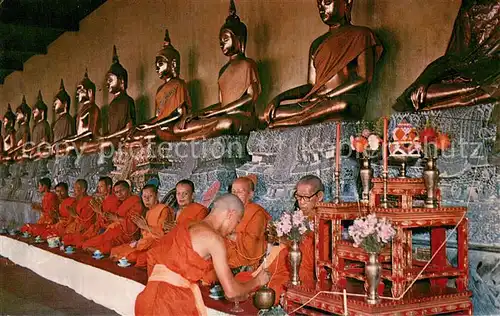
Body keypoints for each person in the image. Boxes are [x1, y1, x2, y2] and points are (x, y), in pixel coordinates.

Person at [135, 194, 270, 315]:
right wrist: (257, 281)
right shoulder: (213, 239)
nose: (234, 228)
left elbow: (154, 256)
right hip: (170, 304)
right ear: (231, 214)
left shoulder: (187, 225)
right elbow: (231, 292)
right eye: (237, 222)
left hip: (148, 297)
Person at [260, 0, 383, 128]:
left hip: (343, 101)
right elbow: (311, 86)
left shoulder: (362, 35)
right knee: (271, 114)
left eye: (327, 1)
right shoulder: (317, 44)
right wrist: (279, 98)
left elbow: (363, 78)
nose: (321, 7)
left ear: (347, 2)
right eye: (319, 3)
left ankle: (290, 122)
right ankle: (292, 120)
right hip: (315, 102)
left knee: (342, 104)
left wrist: (327, 96)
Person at [172, 0, 261, 141]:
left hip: (241, 117)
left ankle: (199, 135)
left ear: (239, 40)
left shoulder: (248, 64)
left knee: (226, 123)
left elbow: (251, 97)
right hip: (222, 115)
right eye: (220, 40)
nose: (221, 43)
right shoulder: (223, 71)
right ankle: (201, 133)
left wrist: (220, 111)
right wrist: (197, 114)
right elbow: (221, 103)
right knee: (179, 127)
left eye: (225, 38)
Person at [238, 175, 325, 305]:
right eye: (298, 196)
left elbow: (316, 258)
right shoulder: (296, 216)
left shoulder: (325, 222)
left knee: (276, 289)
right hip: (283, 264)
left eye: (306, 197)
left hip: (301, 271)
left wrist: (290, 242)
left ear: (319, 196)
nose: (301, 202)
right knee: (242, 281)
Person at [110, 184, 173, 264]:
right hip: (144, 243)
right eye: (144, 196)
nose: (146, 199)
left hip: (156, 245)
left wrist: (145, 226)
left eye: (150, 196)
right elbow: (143, 235)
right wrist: (137, 241)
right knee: (115, 251)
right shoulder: (147, 212)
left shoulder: (163, 210)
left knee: (132, 257)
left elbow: (162, 235)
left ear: (157, 196)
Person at [82, 180, 143, 254]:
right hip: (113, 231)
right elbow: (109, 221)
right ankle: (98, 250)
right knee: (86, 244)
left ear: (129, 189)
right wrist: (101, 212)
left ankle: (100, 251)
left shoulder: (135, 201)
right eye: (117, 192)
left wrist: (116, 218)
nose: (120, 194)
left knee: (107, 247)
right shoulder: (121, 203)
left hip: (127, 236)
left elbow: (133, 225)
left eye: (122, 190)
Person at [66, 176, 120, 247]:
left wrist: (99, 211)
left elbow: (112, 221)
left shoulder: (113, 200)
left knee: (83, 243)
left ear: (109, 187)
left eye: (101, 186)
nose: (99, 189)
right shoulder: (104, 200)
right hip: (96, 228)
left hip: (106, 230)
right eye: (98, 187)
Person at [61, 179, 94, 244]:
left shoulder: (89, 201)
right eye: (74, 188)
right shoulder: (76, 201)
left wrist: (75, 216)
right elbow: (70, 220)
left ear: (83, 190)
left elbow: (87, 223)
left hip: (84, 230)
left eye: (77, 188)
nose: (74, 190)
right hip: (75, 227)